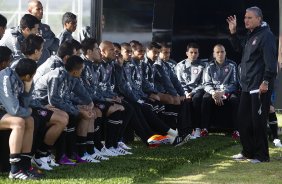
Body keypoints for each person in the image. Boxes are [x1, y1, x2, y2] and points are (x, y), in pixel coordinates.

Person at [227, 6, 277, 163]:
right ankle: (248, 152)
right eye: (245, 18)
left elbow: (271, 63)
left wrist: (266, 81)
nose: (245, 20)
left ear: (258, 19)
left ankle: (262, 156)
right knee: (243, 120)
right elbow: (238, 48)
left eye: (249, 17)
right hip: (247, 86)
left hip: (259, 86)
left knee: (258, 122)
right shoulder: (251, 35)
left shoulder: (266, 36)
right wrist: (233, 33)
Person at [0, 57, 38, 179]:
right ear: (28, 75)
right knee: (18, 122)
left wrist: (27, 91)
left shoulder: (21, 79)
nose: (33, 78)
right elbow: (15, 110)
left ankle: (26, 166)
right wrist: (28, 111)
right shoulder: (6, 77)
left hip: (3, 112)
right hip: (4, 111)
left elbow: (22, 106)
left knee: (30, 120)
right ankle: (15, 170)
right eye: (33, 75)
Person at [201, 44, 239, 137]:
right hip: (213, 91)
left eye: (222, 52)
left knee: (235, 100)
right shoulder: (209, 66)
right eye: (217, 52)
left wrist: (223, 92)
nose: (220, 54)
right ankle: (204, 128)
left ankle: (237, 130)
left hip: (227, 91)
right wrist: (213, 93)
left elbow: (234, 84)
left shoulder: (232, 65)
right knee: (205, 98)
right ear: (214, 54)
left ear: (225, 53)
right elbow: (206, 84)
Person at [175, 43, 206, 138]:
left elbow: (203, 83)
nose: (193, 55)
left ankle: (197, 128)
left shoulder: (203, 65)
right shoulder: (180, 65)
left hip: (197, 90)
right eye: (191, 52)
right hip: (183, 91)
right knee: (183, 100)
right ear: (187, 53)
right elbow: (179, 82)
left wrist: (192, 92)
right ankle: (186, 129)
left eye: (195, 53)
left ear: (198, 54)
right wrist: (185, 93)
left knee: (196, 99)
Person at [27, 0, 59, 66]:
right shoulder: (26, 28)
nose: (41, 11)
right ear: (30, 11)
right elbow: (33, 47)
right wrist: (48, 40)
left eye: (42, 9)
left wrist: (43, 42)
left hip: (46, 66)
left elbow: (56, 45)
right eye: (38, 9)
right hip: (32, 67)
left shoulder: (46, 27)